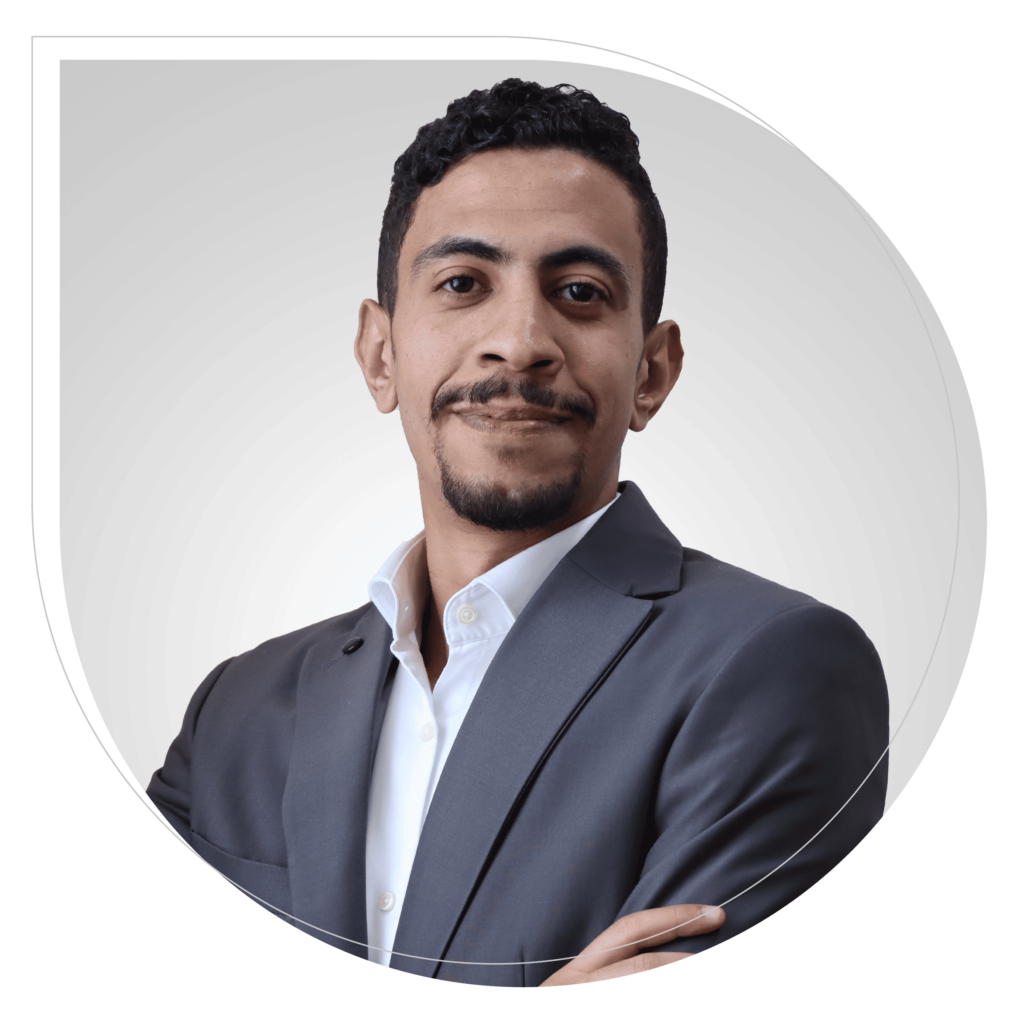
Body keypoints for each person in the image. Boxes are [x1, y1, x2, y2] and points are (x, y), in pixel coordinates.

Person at [146, 78, 889, 987]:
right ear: (380, 355)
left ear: (652, 372)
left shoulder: (777, 668)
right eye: (462, 284)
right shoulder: (235, 710)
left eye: (579, 292)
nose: (520, 340)